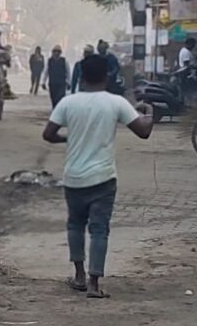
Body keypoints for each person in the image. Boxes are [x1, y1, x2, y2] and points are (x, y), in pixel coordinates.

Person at [44, 54, 154, 297]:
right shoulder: (115, 103)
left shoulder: (67, 102)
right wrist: (149, 113)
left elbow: (48, 134)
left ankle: (79, 275)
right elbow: (143, 132)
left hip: (74, 177)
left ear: (81, 75)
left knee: (75, 224)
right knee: (99, 229)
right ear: (107, 75)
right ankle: (94, 284)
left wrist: (69, 138)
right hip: (103, 178)